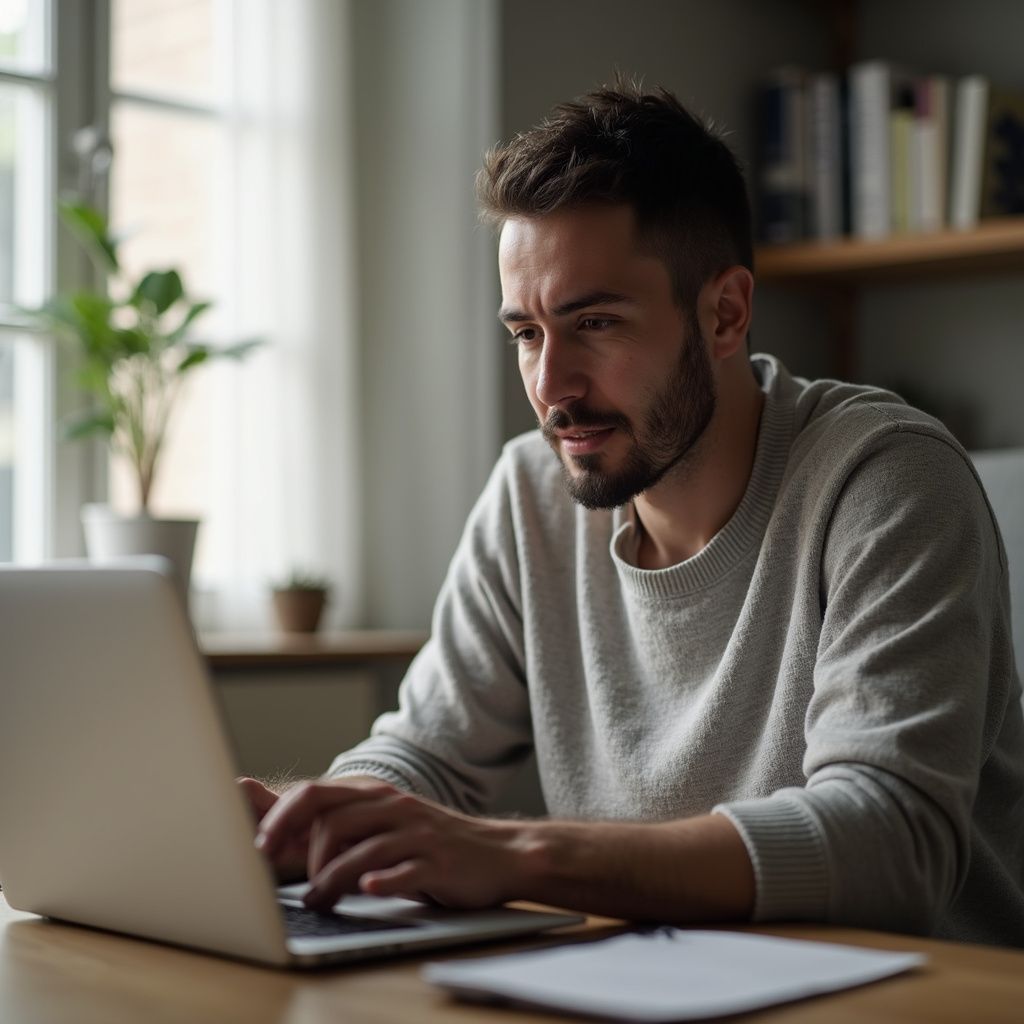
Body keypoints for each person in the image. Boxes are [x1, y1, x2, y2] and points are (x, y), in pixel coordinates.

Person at [246, 81, 1024, 947]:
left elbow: (890, 843)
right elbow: (426, 753)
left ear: (725, 313)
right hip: (651, 982)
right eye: (527, 333)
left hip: (916, 990)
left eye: (596, 323)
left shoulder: (885, 479)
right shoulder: (531, 492)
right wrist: (301, 822)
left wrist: (518, 855)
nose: (551, 388)